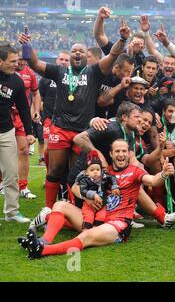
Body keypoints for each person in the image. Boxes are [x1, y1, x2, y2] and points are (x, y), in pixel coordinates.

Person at [19, 19, 132, 209]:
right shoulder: (59, 70)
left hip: (83, 132)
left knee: (77, 172)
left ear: (87, 57)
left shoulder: (94, 72)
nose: (77, 53)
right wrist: (26, 46)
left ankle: (74, 209)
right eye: (74, 51)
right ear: (70, 55)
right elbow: (35, 63)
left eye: (81, 51)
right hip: (60, 128)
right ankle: (48, 209)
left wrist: (122, 39)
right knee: (55, 170)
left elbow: (113, 55)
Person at [19, 139, 175, 259]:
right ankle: (44, 241)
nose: (121, 154)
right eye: (117, 151)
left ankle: (41, 251)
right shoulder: (103, 172)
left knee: (85, 237)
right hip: (97, 218)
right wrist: (87, 197)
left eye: (124, 151)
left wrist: (164, 173)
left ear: (129, 153)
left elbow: (153, 180)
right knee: (60, 205)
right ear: (111, 154)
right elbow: (76, 186)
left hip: (117, 225)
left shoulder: (135, 171)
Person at [0, 44, 35, 223]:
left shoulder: (17, 81)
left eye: (18, 60)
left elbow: (23, 108)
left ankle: (12, 212)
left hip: (6, 132)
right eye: (12, 61)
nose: (17, 64)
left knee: (11, 173)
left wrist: (29, 132)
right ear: (1, 61)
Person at [14, 51, 41, 199]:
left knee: (24, 150)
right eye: (19, 60)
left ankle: (23, 186)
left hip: (21, 117)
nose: (22, 62)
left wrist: (36, 110)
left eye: (25, 60)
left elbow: (36, 93)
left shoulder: (30, 73)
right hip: (4, 116)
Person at [76, 150, 120, 230]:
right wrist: (93, 194)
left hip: (102, 204)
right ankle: (86, 231)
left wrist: (115, 186)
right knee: (88, 218)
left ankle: (96, 230)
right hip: (89, 205)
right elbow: (83, 191)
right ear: (86, 172)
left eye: (97, 169)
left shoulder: (104, 177)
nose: (95, 172)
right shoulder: (84, 180)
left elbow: (112, 177)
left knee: (101, 217)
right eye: (92, 170)